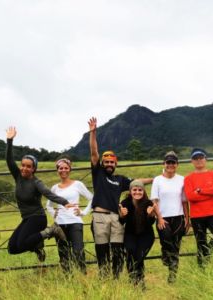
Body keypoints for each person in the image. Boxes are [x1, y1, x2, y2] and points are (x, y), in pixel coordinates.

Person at [87, 117, 153, 279]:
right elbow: (94, 152)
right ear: (102, 163)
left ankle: (115, 279)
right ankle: (104, 279)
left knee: (117, 250)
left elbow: (137, 182)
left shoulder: (120, 180)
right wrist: (93, 133)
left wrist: (156, 179)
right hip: (100, 216)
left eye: (112, 162)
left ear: (116, 164)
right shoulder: (98, 173)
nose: (109, 164)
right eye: (106, 161)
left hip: (117, 217)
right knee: (102, 250)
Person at [5, 126, 74, 261]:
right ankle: (37, 245)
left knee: (21, 243)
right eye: (23, 165)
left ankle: (52, 231)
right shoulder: (18, 176)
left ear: (34, 169)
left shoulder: (36, 183)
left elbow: (48, 194)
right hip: (26, 218)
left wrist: (65, 202)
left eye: (28, 166)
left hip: (37, 218)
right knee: (12, 248)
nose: (24, 168)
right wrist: (9, 141)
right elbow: (9, 160)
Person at [46, 158, 93, 274]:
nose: (63, 170)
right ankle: (68, 277)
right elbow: (49, 205)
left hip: (75, 222)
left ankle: (83, 276)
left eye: (66, 168)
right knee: (63, 252)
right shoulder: (55, 188)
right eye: (60, 168)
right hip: (60, 225)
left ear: (70, 169)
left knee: (78, 250)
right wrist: (54, 214)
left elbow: (92, 198)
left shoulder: (77, 184)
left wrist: (83, 212)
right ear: (57, 170)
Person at [150, 151, 189, 283]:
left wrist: (187, 218)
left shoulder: (182, 179)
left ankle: (172, 275)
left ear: (177, 164)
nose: (170, 165)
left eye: (173, 163)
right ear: (164, 164)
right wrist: (159, 218)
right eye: (168, 162)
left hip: (178, 217)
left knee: (175, 246)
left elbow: (184, 201)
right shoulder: (157, 180)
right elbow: (154, 201)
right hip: (163, 217)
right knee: (167, 242)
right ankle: (165, 254)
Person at [184, 148, 213, 267]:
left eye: (201, 157)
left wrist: (200, 191)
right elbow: (191, 197)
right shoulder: (188, 178)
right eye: (195, 158)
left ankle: (207, 250)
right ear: (192, 161)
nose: (199, 160)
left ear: (205, 159)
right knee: (200, 242)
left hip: (212, 213)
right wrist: (209, 193)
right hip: (197, 216)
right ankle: (202, 269)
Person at [119, 180, 156, 289]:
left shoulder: (148, 203)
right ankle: (133, 279)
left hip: (146, 235)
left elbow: (151, 224)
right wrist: (122, 215)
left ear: (143, 191)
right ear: (130, 191)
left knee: (139, 255)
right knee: (130, 253)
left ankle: (140, 281)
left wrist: (151, 216)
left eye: (140, 190)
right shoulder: (125, 203)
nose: (137, 192)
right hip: (130, 234)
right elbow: (121, 222)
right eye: (134, 190)